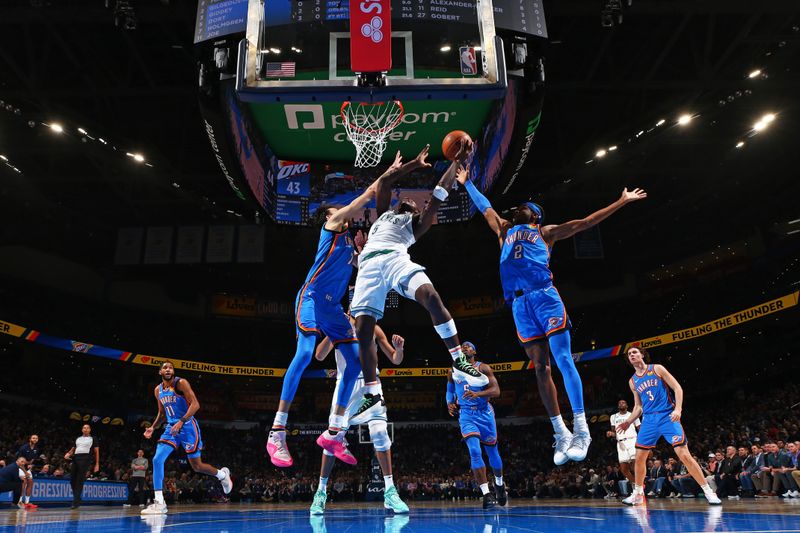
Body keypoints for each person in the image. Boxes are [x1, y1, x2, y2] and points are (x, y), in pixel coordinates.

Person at [457, 169, 647, 464]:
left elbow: (586, 223)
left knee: (563, 359)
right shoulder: (504, 231)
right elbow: (486, 208)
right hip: (520, 306)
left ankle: (582, 428)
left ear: (535, 217)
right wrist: (466, 182)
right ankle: (561, 432)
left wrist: (621, 201)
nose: (519, 208)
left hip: (545, 297)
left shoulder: (546, 233)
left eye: (526, 207)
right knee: (540, 368)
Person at [350, 144, 489, 423]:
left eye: (416, 204)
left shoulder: (416, 225)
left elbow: (439, 191)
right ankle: (373, 394)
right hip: (368, 266)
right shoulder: (382, 214)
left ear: (417, 212)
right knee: (363, 330)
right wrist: (414, 163)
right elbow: (386, 181)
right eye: (410, 201)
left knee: (432, 297)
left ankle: (459, 361)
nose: (412, 202)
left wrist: (457, 160)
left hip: (396, 260)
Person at [267, 170, 392, 468]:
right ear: (328, 216)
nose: (342, 212)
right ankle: (277, 431)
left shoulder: (349, 242)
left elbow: (361, 276)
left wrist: (362, 255)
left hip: (333, 307)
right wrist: (381, 181)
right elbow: (360, 201)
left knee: (356, 363)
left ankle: (335, 432)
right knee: (306, 352)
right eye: (337, 210)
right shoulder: (331, 226)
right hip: (311, 297)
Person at [310, 317, 409, 515]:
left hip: (371, 384)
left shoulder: (375, 329)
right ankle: (320, 493)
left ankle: (390, 491)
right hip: (346, 387)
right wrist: (334, 329)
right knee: (332, 440)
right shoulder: (337, 326)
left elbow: (396, 359)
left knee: (381, 433)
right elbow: (319, 356)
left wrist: (399, 349)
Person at [617, 346, 721, 505]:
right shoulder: (632, 381)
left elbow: (677, 388)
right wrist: (628, 421)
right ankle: (638, 493)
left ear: (642, 354)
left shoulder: (657, 368)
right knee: (639, 458)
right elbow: (638, 406)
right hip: (649, 420)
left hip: (667, 416)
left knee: (684, 455)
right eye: (629, 354)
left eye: (634, 352)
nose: (632, 355)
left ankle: (708, 491)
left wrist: (678, 409)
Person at [141, 361, 232, 515]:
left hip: (188, 427)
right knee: (157, 459)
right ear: (160, 372)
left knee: (197, 466)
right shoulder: (158, 390)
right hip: (171, 428)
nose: (168, 369)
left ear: (173, 371)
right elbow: (162, 413)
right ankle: (159, 502)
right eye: (165, 367)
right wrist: (153, 427)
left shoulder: (181, 383)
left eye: (170, 367)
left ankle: (223, 475)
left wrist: (181, 421)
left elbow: (196, 405)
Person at [446, 342, 506, 509]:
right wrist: (449, 403)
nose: (465, 347)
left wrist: (478, 393)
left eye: (469, 346)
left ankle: (499, 485)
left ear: (475, 351)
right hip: (466, 414)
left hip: (484, 413)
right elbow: (449, 390)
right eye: (463, 345)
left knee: (492, 452)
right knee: (474, 450)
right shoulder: (452, 371)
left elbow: (496, 391)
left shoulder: (483, 368)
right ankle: (486, 494)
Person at [64, 423, 100, 509]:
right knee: (72, 480)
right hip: (76, 458)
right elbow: (73, 448)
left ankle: (75, 502)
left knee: (79, 480)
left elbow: (96, 451)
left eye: (87, 428)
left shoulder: (93, 438)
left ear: (90, 430)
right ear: (82, 429)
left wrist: (97, 464)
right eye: (84, 428)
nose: (86, 429)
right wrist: (68, 453)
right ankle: (78, 497)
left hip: (86, 458)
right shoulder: (78, 438)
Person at [608, 400, 640, 492]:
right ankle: (635, 485)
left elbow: (639, 429)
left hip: (632, 440)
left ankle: (639, 486)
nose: (621, 404)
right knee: (624, 469)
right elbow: (614, 432)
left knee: (635, 465)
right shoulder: (613, 417)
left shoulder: (633, 414)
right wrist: (611, 433)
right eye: (619, 403)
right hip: (620, 443)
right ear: (618, 406)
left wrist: (644, 442)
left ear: (627, 405)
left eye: (623, 403)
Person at [16, 434, 40, 509]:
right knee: (24, 482)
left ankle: (27, 502)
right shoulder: (24, 448)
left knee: (30, 482)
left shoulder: (36, 449)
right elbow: (19, 462)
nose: (35, 439)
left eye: (36, 438)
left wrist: (31, 464)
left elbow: (32, 459)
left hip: (27, 468)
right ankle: (19, 501)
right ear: (30, 439)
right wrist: (25, 471)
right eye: (33, 438)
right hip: (20, 467)